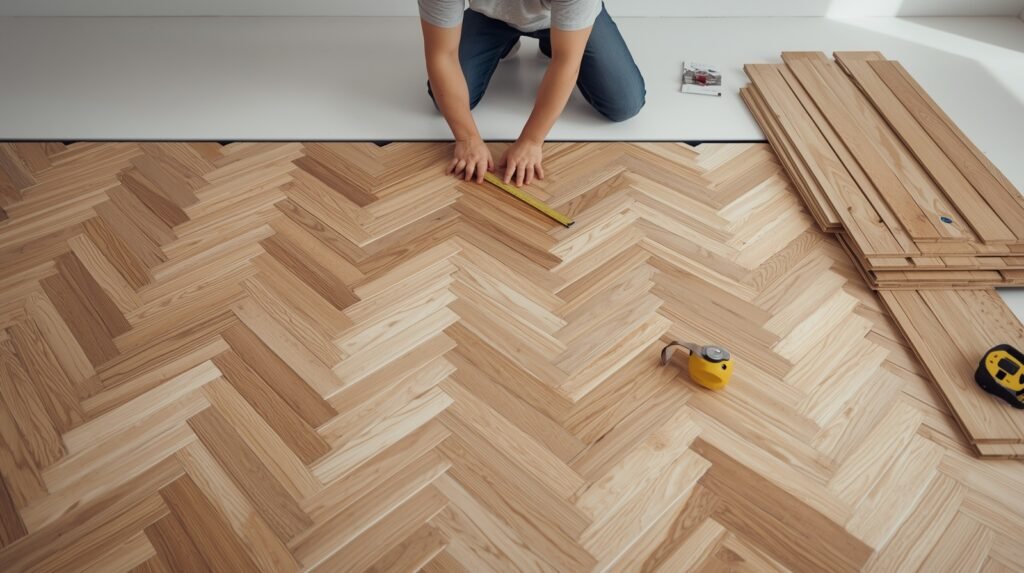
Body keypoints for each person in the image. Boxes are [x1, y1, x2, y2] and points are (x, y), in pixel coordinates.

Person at [418, 0, 645, 187]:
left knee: (625, 104)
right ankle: (504, 42)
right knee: (444, 100)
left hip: (560, 16)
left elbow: (566, 62)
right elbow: (442, 55)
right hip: (491, 17)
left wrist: (531, 141)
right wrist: (467, 139)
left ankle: (554, 40)